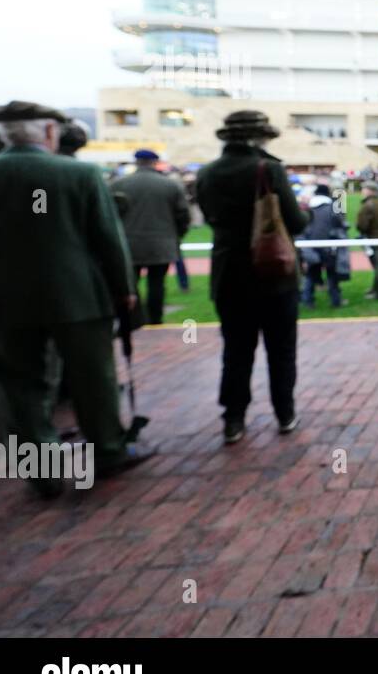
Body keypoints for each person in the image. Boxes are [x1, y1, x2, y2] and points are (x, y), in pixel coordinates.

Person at [0, 100, 157, 497]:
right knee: (93, 378)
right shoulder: (79, 173)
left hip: (4, 301)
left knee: (19, 387)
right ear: (49, 132)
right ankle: (108, 451)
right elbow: (108, 238)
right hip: (77, 296)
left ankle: (43, 472)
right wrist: (125, 290)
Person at [195, 111, 308, 445]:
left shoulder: (206, 173)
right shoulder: (268, 169)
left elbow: (209, 217)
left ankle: (234, 419)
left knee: (236, 351)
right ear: (259, 138)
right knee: (281, 349)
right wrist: (306, 212)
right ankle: (284, 413)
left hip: (229, 275)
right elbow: (296, 222)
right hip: (272, 274)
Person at [110, 149, 191, 326]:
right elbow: (183, 215)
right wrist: (176, 235)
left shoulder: (119, 184)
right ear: (154, 162)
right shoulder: (170, 185)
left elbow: (111, 215)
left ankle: (133, 320)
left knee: (131, 284)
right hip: (161, 242)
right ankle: (155, 320)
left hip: (129, 243)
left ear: (137, 162)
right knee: (157, 284)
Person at [299, 183, 345, 309]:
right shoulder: (332, 208)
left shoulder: (308, 208)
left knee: (311, 275)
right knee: (331, 275)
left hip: (311, 245)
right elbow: (340, 223)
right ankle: (336, 300)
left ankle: (308, 300)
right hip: (329, 246)